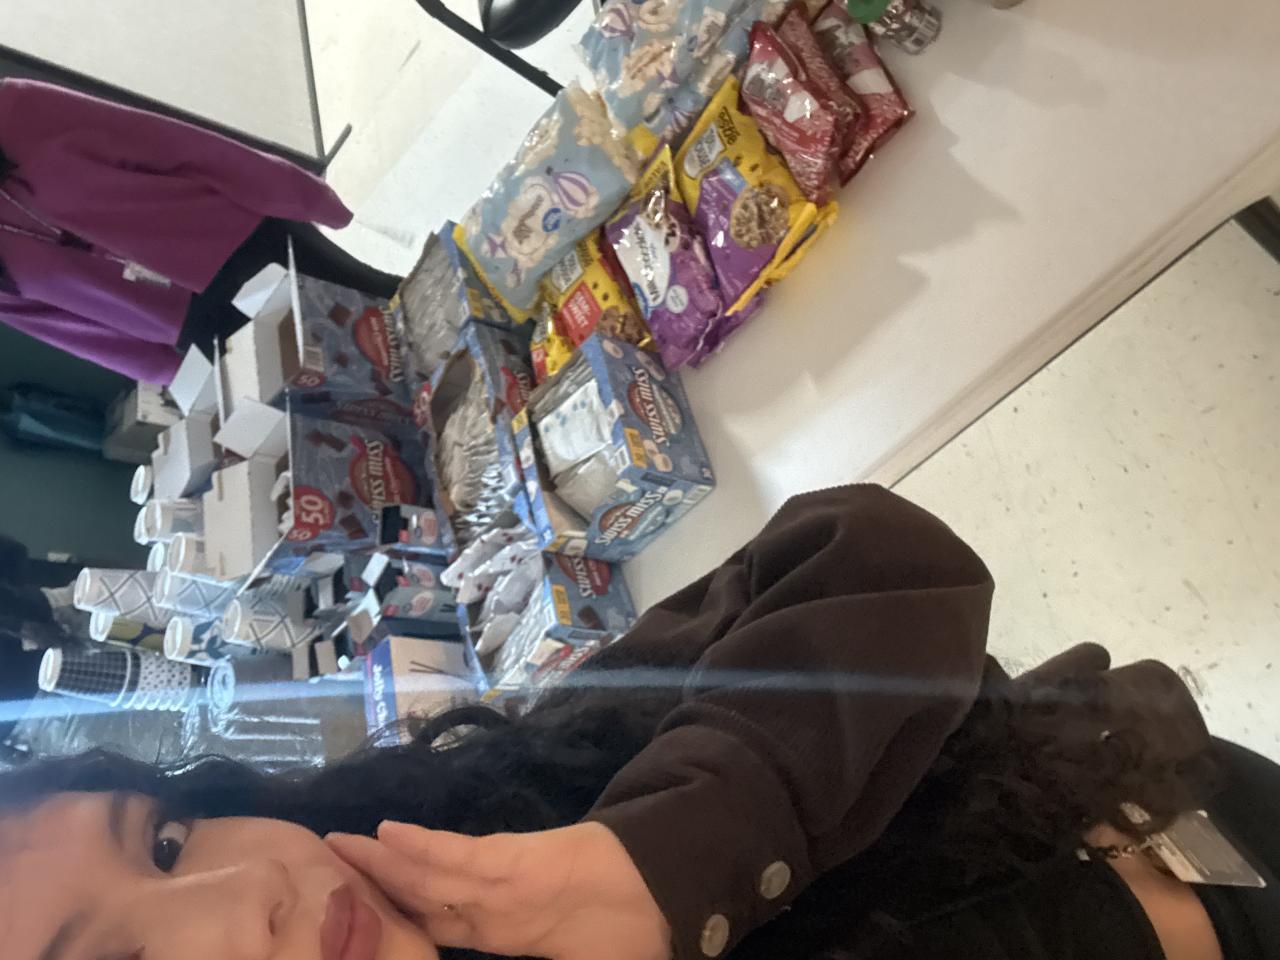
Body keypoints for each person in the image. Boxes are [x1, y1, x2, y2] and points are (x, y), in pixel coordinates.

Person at [0, 485, 1275, 960]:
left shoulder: (500, 826)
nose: (243, 893)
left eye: (164, 839)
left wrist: (671, 858)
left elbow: (866, 557)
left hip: (1203, 823)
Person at [0, 79, 401, 384]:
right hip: (201, 326)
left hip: (241, 245)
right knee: (366, 383)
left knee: (393, 313)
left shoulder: (15, 110)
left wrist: (300, 195)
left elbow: (167, 143)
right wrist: (175, 376)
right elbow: (66, 329)